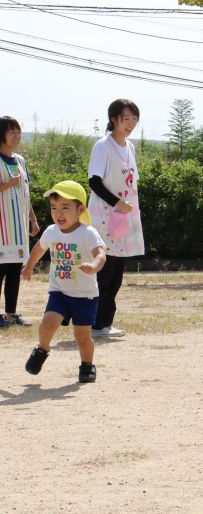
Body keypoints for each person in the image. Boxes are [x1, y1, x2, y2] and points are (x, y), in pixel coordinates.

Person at [22, 181, 106, 383]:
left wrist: (94, 266)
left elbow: (101, 253)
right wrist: (29, 266)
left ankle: (87, 365)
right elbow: (40, 249)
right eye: (54, 208)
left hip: (84, 295)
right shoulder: (51, 231)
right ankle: (42, 349)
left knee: (82, 336)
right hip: (59, 291)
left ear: (81, 209)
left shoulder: (88, 233)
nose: (58, 213)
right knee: (48, 323)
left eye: (65, 208)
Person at [87, 99, 144, 339]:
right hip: (105, 216)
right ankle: (95, 322)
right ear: (114, 120)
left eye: (134, 119)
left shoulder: (129, 147)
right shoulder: (103, 146)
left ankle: (105, 323)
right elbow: (94, 181)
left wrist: (126, 207)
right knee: (104, 271)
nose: (130, 124)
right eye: (126, 118)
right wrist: (117, 203)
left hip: (123, 217)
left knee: (117, 271)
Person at [0, 117, 40, 328]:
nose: (16, 136)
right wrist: (8, 184)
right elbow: (11, 186)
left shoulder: (20, 160)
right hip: (1, 228)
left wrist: (33, 220)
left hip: (18, 228)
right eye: (11, 131)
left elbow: (26, 194)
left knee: (15, 270)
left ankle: (11, 313)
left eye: (18, 131)